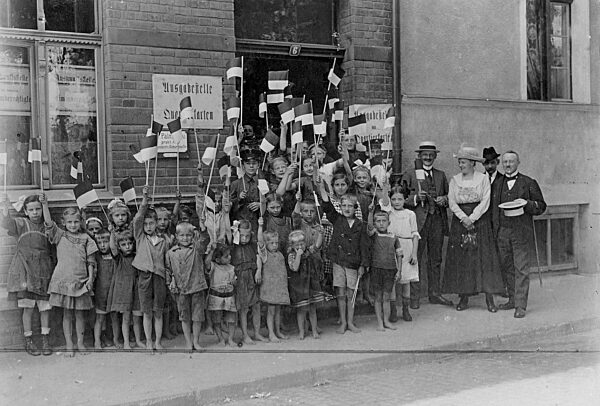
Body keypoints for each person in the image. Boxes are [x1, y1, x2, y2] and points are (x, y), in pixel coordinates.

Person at [442, 146, 505, 312]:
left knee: (484, 259)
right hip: (460, 221)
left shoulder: (483, 179)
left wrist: (473, 218)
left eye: (462, 162)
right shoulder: (455, 180)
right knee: (463, 259)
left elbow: (485, 201)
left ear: (472, 163)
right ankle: (464, 297)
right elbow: (452, 201)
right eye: (459, 162)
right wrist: (464, 217)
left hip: (479, 220)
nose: (460, 165)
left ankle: (489, 298)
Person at [493, 151, 546, 318]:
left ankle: (521, 306)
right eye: (505, 162)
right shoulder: (497, 183)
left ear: (518, 162)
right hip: (503, 231)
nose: (508, 165)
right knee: (506, 266)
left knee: (521, 268)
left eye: (511, 161)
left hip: (520, 231)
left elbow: (541, 206)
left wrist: (527, 204)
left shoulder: (529, 183)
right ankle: (512, 299)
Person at [0, 193, 54, 356]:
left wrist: (46, 205)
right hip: (25, 270)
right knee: (28, 307)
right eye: (31, 210)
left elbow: (51, 229)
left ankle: (45, 339)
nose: (35, 212)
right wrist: (6, 207)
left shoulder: (48, 225)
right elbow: (7, 223)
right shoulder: (21, 223)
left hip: (43, 269)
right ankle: (28, 340)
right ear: (25, 211)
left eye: (38, 209)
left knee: (45, 308)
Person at [401, 141, 453, 309]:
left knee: (435, 259)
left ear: (435, 156)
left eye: (431, 155)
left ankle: (435, 294)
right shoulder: (410, 174)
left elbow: (449, 197)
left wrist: (444, 200)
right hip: (418, 222)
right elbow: (398, 198)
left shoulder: (440, 175)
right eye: (425, 154)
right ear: (419, 156)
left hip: (436, 220)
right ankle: (414, 297)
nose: (428, 157)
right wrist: (416, 199)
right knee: (415, 258)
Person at [43, 201, 98, 357]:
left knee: (80, 314)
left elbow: (91, 261)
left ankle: (80, 342)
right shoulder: (60, 235)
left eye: (76, 221)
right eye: (69, 222)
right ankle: (69, 344)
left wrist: (90, 279)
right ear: (64, 223)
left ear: (80, 222)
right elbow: (48, 223)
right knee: (67, 314)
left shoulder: (86, 238)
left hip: (81, 282)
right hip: (64, 281)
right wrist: (45, 204)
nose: (73, 225)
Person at [319, 182, 370, 334]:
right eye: (344, 206)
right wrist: (321, 188)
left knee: (351, 294)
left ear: (356, 208)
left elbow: (364, 247)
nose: (347, 209)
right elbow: (327, 206)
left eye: (350, 206)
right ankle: (342, 322)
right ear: (340, 207)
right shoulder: (337, 219)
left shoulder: (361, 225)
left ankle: (350, 322)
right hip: (338, 261)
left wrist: (363, 265)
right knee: (340, 293)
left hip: (353, 264)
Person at [132, 186, 169, 350]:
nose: (148, 226)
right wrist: (145, 199)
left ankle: (158, 341)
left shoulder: (164, 241)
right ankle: (148, 341)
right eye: (146, 224)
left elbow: (167, 262)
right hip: (145, 277)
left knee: (158, 311)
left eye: (151, 223)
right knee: (146, 311)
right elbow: (138, 218)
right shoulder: (140, 237)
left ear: (156, 224)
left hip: (159, 277)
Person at [166, 222, 209, 352]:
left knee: (197, 316)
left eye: (189, 235)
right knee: (184, 316)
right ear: (176, 237)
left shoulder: (197, 249)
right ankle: (188, 342)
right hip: (181, 289)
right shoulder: (171, 253)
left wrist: (201, 229)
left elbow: (205, 239)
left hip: (196, 286)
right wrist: (170, 282)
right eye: (182, 235)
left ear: (193, 236)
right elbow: (168, 270)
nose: (185, 238)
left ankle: (196, 341)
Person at [380, 184, 420, 322]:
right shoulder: (388, 212)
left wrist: (414, 254)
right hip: (392, 247)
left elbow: (415, 235)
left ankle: (405, 309)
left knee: (406, 281)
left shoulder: (410, 214)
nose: (396, 202)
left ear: (405, 199)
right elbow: (384, 202)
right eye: (394, 199)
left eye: (400, 199)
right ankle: (392, 311)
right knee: (392, 279)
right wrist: (385, 187)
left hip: (407, 247)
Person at [287, 230, 327, 340]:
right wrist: (298, 255)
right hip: (299, 285)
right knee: (301, 310)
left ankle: (314, 330)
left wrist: (320, 234)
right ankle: (301, 332)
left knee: (312, 309)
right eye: (297, 245)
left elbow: (317, 245)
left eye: (302, 244)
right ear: (292, 245)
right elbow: (294, 268)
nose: (300, 246)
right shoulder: (291, 255)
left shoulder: (308, 251)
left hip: (310, 283)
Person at [367, 210, 403, 331]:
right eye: (378, 221)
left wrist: (399, 271)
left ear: (389, 222)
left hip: (390, 269)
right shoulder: (374, 234)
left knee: (387, 297)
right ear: (375, 223)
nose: (381, 223)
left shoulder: (394, 237)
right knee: (378, 297)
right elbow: (369, 227)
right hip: (376, 269)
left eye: (384, 221)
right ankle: (379, 323)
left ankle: (386, 321)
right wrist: (370, 212)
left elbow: (399, 255)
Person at [230, 219, 265, 344]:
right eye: (242, 235)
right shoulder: (233, 245)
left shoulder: (253, 245)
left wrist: (259, 270)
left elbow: (258, 256)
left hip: (252, 276)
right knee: (243, 308)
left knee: (256, 306)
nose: (244, 238)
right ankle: (245, 335)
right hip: (240, 279)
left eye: (247, 236)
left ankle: (256, 333)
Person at [106, 229, 142, 350]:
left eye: (129, 243)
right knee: (126, 318)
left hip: (136, 288)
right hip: (124, 289)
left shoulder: (137, 255)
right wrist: (112, 233)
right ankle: (126, 342)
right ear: (119, 247)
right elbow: (112, 247)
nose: (127, 246)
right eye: (123, 244)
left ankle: (138, 340)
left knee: (137, 316)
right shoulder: (119, 257)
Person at [256, 219, 290, 342]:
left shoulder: (280, 254)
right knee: (271, 311)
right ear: (266, 244)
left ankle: (278, 331)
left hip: (279, 287)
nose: (275, 245)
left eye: (276, 243)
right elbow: (260, 241)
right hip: (270, 288)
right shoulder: (265, 255)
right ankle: (271, 333)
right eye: (272, 243)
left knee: (278, 311)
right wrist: (260, 227)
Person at [483, 146, 508, 297]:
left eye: (492, 163)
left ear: (497, 162)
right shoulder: (479, 179)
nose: (490, 166)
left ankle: (502, 287)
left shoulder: (503, 180)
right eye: (486, 163)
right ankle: (487, 288)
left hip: (499, 222)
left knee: (502, 255)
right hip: (484, 223)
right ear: (482, 165)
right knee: (487, 256)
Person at [205, 242, 237, 347]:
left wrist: (234, 282)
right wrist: (212, 251)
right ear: (218, 259)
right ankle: (220, 339)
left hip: (229, 296)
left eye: (229, 255)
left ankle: (231, 339)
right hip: (216, 297)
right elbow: (207, 263)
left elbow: (234, 281)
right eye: (226, 256)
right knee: (216, 319)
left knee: (231, 319)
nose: (229, 257)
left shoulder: (231, 268)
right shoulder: (213, 266)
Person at [92, 228, 120, 349]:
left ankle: (116, 340)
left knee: (114, 318)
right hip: (101, 292)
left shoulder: (115, 255)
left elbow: (114, 247)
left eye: (106, 241)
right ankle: (97, 341)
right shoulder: (96, 256)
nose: (103, 245)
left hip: (114, 292)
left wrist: (112, 232)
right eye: (99, 242)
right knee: (100, 318)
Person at [230, 149, 262, 235]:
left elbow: (270, 200)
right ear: (243, 166)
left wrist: (261, 204)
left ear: (258, 165)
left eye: (254, 163)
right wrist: (239, 198)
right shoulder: (236, 184)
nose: (251, 166)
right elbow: (229, 206)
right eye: (248, 163)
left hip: (258, 221)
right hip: (241, 221)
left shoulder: (263, 183)